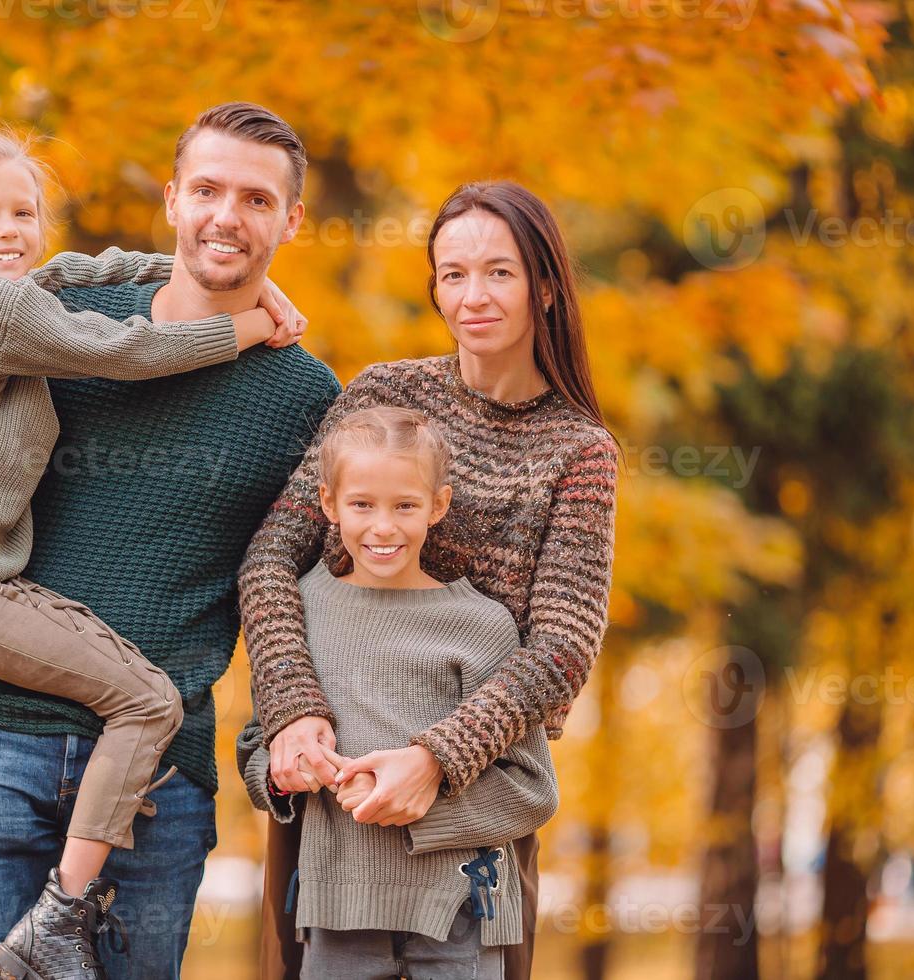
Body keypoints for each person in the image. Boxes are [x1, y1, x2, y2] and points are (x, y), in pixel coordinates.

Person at [0, 103, 341, 980]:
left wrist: (295, 721)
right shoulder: (50, 311)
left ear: (290, 221)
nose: (227, 215)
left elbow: (286, 582)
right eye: (208, 189)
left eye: (257, 200)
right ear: (174, 200)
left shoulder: (303, 394)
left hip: (158, 784)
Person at [240, 180, 620, 979]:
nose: (471, 296)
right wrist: (292, 712)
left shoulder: (577, 450)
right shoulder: (383, 395)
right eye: (452, 274)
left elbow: (562, 649)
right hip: (337, 798)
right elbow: (273, 556)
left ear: (545, 287)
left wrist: (437, 759)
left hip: (476, 811)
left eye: (498, 273)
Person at [237, 406, 560, 979]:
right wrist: (282, 775)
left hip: (462, 907)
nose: (382, 527)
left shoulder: (480, 625)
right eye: (361, 504)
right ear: (329, 504)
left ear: (438, 506)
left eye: (404, 506)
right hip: (336, 911)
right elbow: (258, 745)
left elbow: (533, 789)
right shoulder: (300, 611)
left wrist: (421, 805)